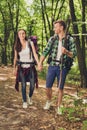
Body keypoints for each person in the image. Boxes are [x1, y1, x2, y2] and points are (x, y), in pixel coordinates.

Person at [39, 20, 77, 114]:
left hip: (63, 66)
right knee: (48, 86)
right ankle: (48, 101)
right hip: (52, 65)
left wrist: (67, 52)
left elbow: (74, 54)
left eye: (56, 27)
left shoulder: (69, 39)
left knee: (60, 88)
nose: (54, 29)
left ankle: (59, 106)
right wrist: (40, 63)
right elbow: (45, 51)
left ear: (61, 27)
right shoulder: (52, 39)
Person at [13, 29, 39, 109]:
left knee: (32, 85)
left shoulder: (30, 43)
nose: (21, 35)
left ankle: (29, 96)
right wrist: (14, 68)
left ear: (25, 34)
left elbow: (35, 54)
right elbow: (15, 58)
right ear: (18, 35)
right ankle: (24, 101)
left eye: (23, 33)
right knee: (23, 85)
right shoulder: (17, 45)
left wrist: (39, 64)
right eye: (20, 34)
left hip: (31, 67)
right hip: (21, 67)